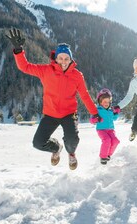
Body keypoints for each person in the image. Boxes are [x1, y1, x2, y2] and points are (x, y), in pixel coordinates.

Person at [6, 28, 101, 170]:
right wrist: (18, 50)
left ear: (71, 60)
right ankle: (56, 148)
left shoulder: (77, 75)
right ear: (55, 58)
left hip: (69, 114)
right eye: (61, 58)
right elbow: (24, 67)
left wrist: (94, 112)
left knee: (72, 139)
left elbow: (84, 95)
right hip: (50, 114)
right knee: (38, 143)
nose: (63, 61)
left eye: (66, 58)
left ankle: (71, 153)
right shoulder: (46, 70)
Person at [90, 88, 120, 165]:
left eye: (108, 102)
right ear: (100, 102)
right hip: (101, 130)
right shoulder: (98, 110)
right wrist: (95, 120)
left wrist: (116, 113)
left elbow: (114, 118)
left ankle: (108, 155)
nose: (106, 103)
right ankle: (103, 157)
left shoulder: (110, 111)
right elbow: (91, 120)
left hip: (110, 130)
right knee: (107, 140)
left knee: (116, 141)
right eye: (104, 102)